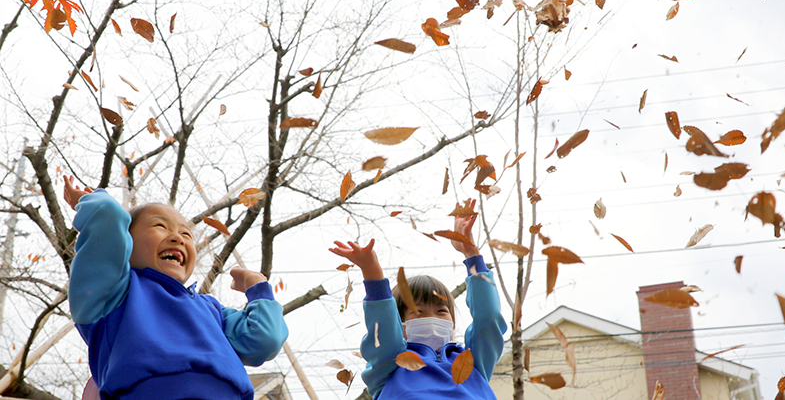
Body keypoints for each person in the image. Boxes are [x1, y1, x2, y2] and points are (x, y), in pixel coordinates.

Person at [64, 176, 288, 400]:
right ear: (126, 244)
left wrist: (258, 289)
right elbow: (108, 220)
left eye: (186, 234)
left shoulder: (211, 311)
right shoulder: (112, 293)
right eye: (160, 226)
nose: (178, 239)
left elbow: (264, 340)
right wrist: (93, 203)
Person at [330, 199, 507, 399]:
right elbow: (385, 332)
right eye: (419, 312)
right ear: (400, 325)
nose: (432, 318)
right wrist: (372, 272)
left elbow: (489, 319)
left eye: (441, 311)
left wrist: (471, 253)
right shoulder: (389, 363)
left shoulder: (471, 361)